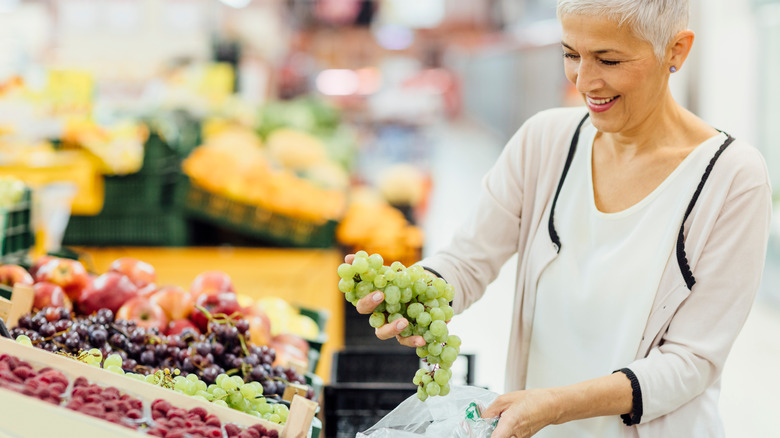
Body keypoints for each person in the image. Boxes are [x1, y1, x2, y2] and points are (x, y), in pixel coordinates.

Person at [349, 0, 772, 436]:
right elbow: (468, 259)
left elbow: (690, 362)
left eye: (609, 60)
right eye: (571, 54)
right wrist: (421, 293)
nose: (583, 81)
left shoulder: (730, 178)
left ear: (676, 50)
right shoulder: (543, 142)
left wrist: (554, 405)